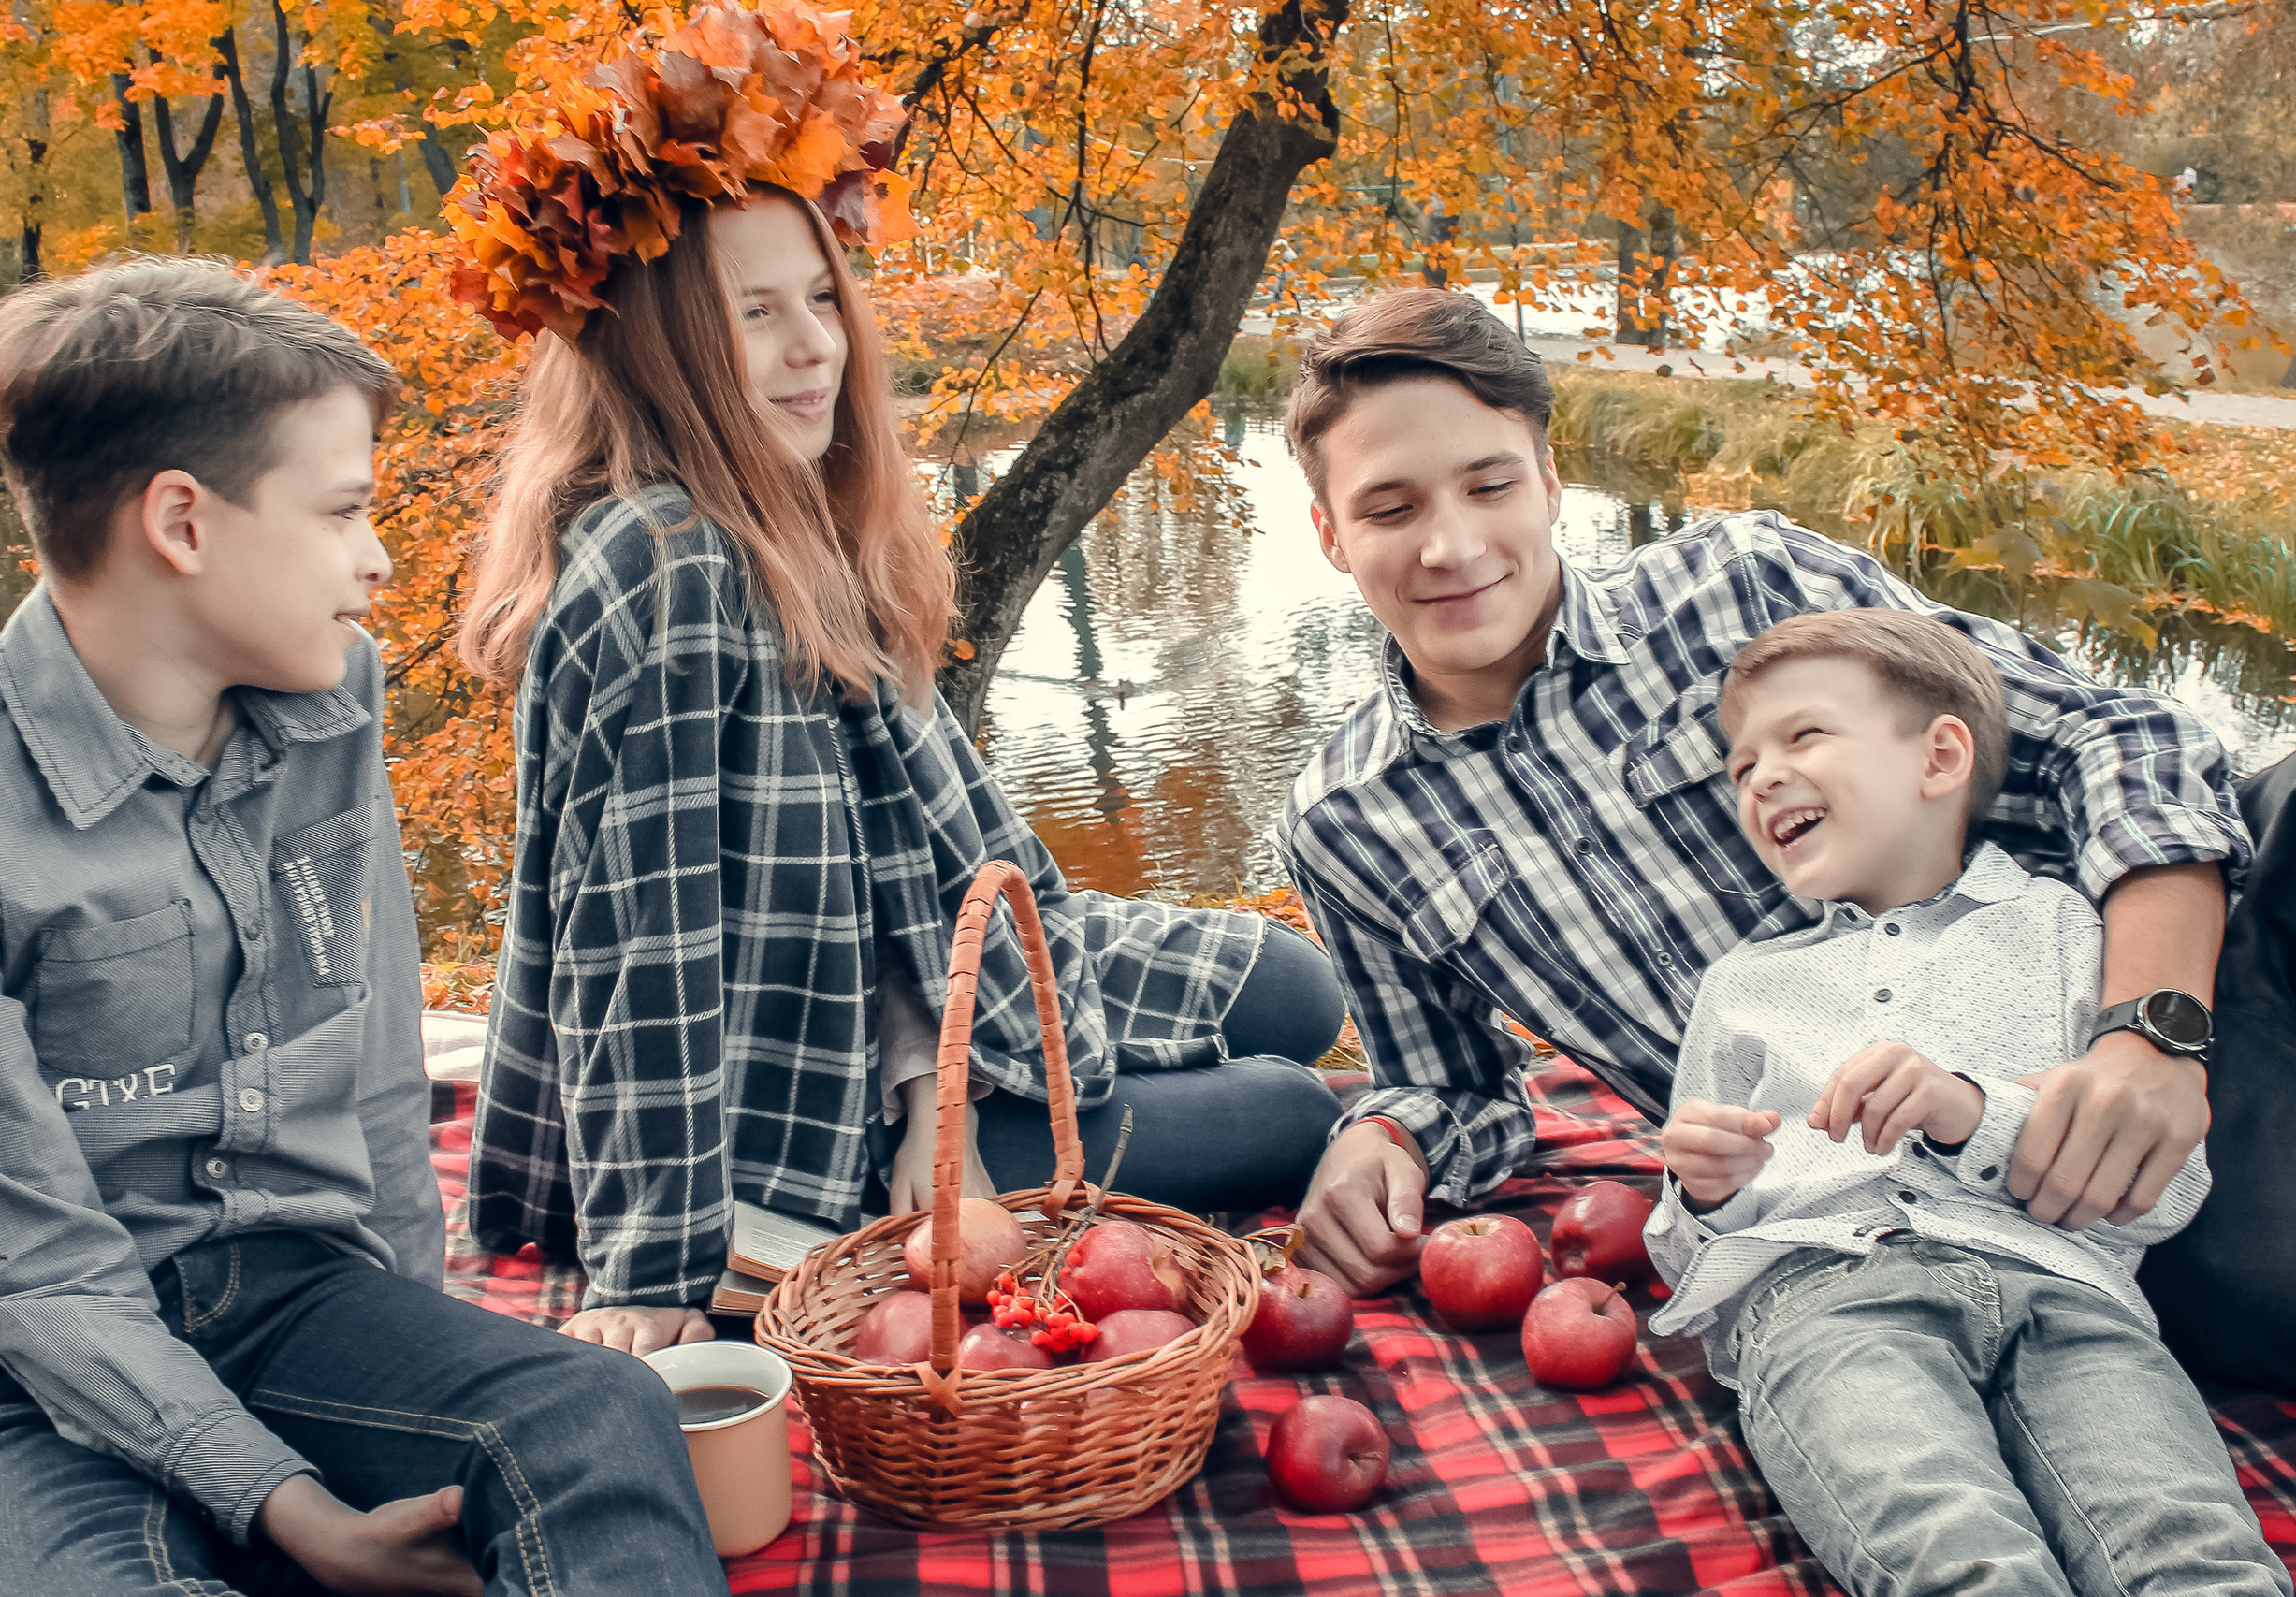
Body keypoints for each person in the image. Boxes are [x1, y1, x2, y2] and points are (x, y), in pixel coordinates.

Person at [450, 9, 1345, 1358]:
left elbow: (908, 866)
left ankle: (1009, 1096)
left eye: (819, 299)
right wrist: (658, 1261)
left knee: (1301, 987)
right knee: (1297, 1107)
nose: (815, 346)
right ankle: (903, 1171)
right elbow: (642, 949)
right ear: (657, 345)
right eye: (755, 314)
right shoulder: (669, 567)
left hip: (916, 978)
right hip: (798, 1084)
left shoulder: (795, 522)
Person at [0, 260, 722, 1597]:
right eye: (342, 509)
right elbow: (29, 1272)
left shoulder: (332, 698)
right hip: (20, 1376)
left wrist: (430, 1370)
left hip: (295, 1297)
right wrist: (295, 1509)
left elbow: (381, 1080)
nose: (377, 556)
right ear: (183, 522)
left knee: (597, 1414)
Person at [1277, 288, 2245, 1299]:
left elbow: (2114, 732)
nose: (1452, 548)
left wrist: (2151, 1035)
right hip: (1858, 1221)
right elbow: (1453, 1090)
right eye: (1390, 509)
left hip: (2110, 1074)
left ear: (1551, 481)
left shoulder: (1746, 586)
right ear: (1331, 532)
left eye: (1489, 486)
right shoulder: (1346, 822)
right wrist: (1385, 1134)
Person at [1642, 608, 2286, 1596]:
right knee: (1954, 1557)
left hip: (2071, 1293)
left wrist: (1966, 1112)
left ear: (1940, 756)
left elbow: (2165, 1189)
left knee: (2189, 1555)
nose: (1760, 776)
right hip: (1825, 1298)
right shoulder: (1742, 984)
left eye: (1803, 735)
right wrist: (1706, 1193)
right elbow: (1687, 1269)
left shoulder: (2068, 929)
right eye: (1741, 768)